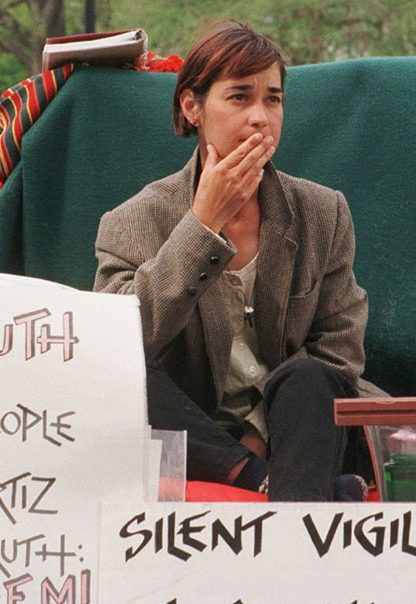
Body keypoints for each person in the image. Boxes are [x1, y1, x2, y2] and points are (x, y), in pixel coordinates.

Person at [94, 21, 371, 502]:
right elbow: (116, 344)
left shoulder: (323, 212)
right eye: (239, 97)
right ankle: (256, 477)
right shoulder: (132, 220)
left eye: (273, 99)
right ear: (192, 107)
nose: (260, 118)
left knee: (310, 378)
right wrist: (202, 224)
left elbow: (340, 349)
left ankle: (277, 489)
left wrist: (260, 431)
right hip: (195, 429)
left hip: (299, 427)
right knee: (121, 373)